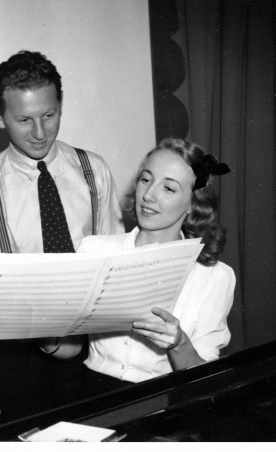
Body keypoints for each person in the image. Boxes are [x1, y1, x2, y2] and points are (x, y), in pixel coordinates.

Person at [0, 50, 124, 426]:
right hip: (19, 357)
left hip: (92, 349)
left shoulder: (93, 171)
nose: (39, 132)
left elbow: (116, 260)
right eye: (24, 119)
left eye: (49, 115)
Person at [47, 137, 235, 395]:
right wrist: (44, 330)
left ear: (193, 203)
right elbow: (69, 348)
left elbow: (205, 381)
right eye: (146, 180)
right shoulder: (94, 250)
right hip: (93, 392)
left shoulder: (215, 277)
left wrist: (179, 343)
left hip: (164, 398)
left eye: (168, 188)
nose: (148, 195)